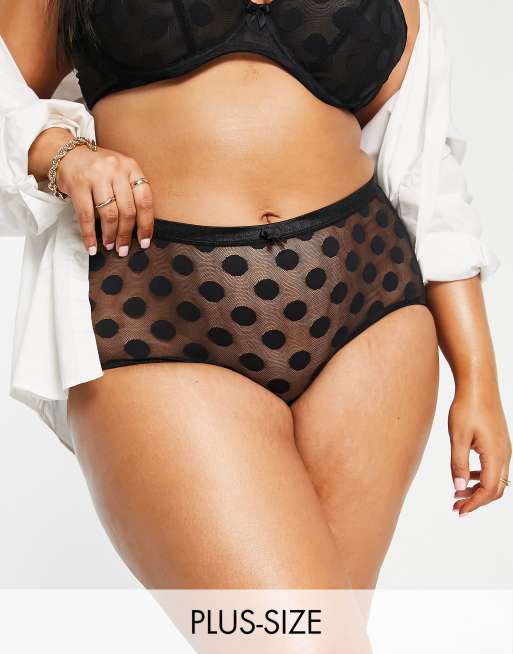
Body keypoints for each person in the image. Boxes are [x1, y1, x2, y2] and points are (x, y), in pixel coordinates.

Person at [0, 0, 510, 607]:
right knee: (291, 637)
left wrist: (478, 377)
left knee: (323, 629)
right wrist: (62, 154)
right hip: (157, 314)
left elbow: (425, 169)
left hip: (368, 310)